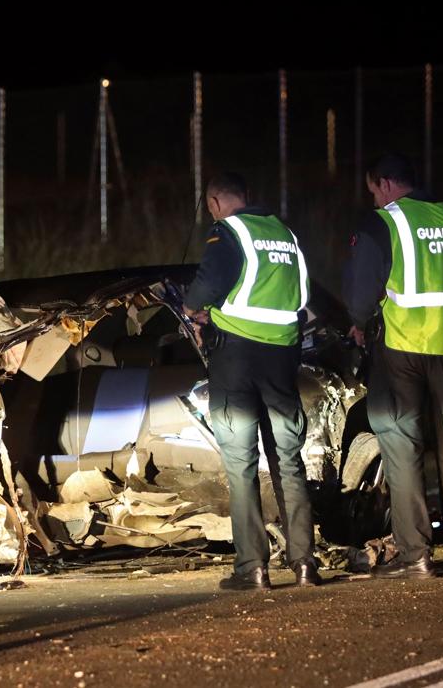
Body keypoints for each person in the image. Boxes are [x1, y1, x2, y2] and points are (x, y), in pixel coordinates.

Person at [344, 153, 443, 578]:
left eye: (373, 192)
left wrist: (357, 324)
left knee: (402, 446)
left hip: (402, 346)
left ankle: (417, 556)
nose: (374, 201)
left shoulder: (384, 222)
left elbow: (360, 296)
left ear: (386, 184)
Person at [182, 172, 319, 590]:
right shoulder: (285, 233)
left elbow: (205, 287)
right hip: (282, 358)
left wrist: (193, 310)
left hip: (236, 359)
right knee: (289, 461)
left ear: (214, 203)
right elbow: (302, 297)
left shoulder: (228, 231)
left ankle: (252, 568)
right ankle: (304, 564)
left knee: (241, 463)